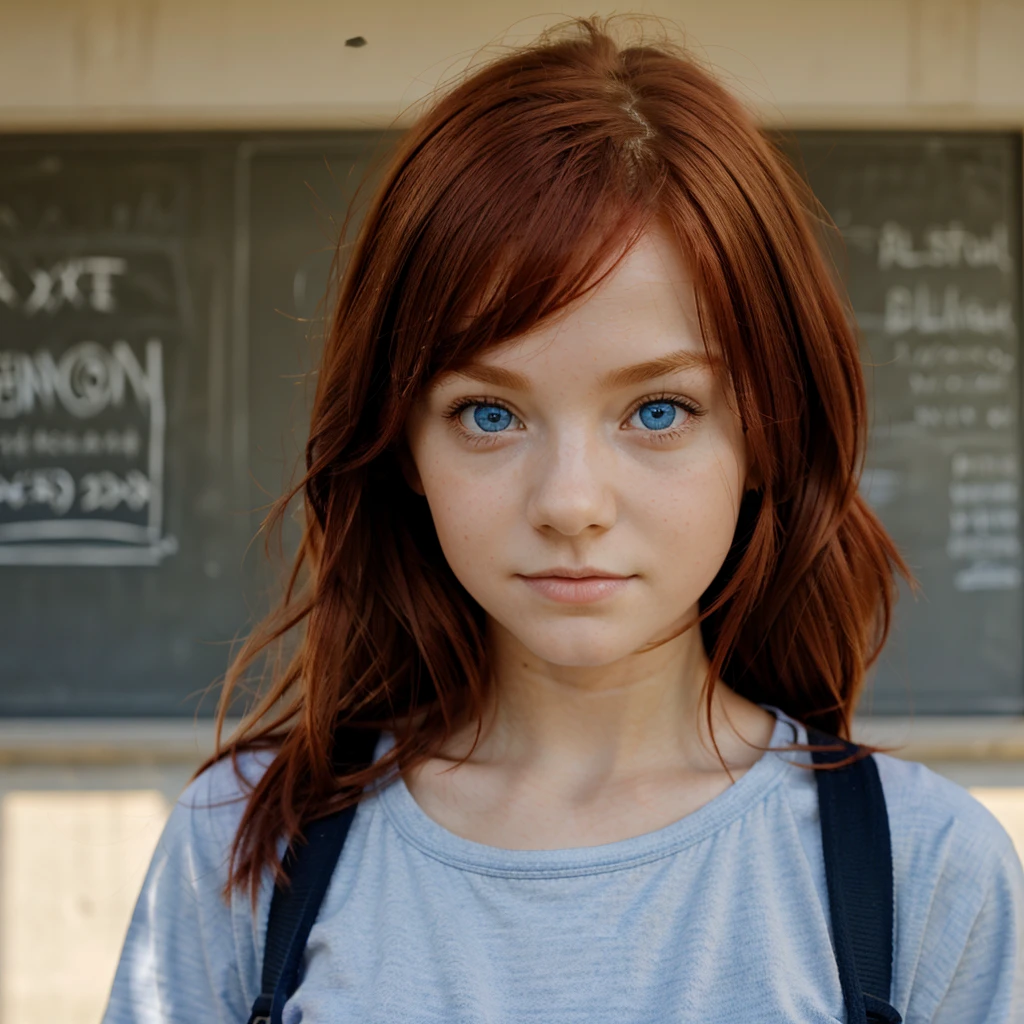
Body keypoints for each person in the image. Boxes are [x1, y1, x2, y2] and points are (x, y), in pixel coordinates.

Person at [101, 15, 1024, 1023]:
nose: (570, 503)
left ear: (767, 428)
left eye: (658, 410)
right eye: (487, 414)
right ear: (400, 441)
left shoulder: (924, 877)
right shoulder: (245, 852)